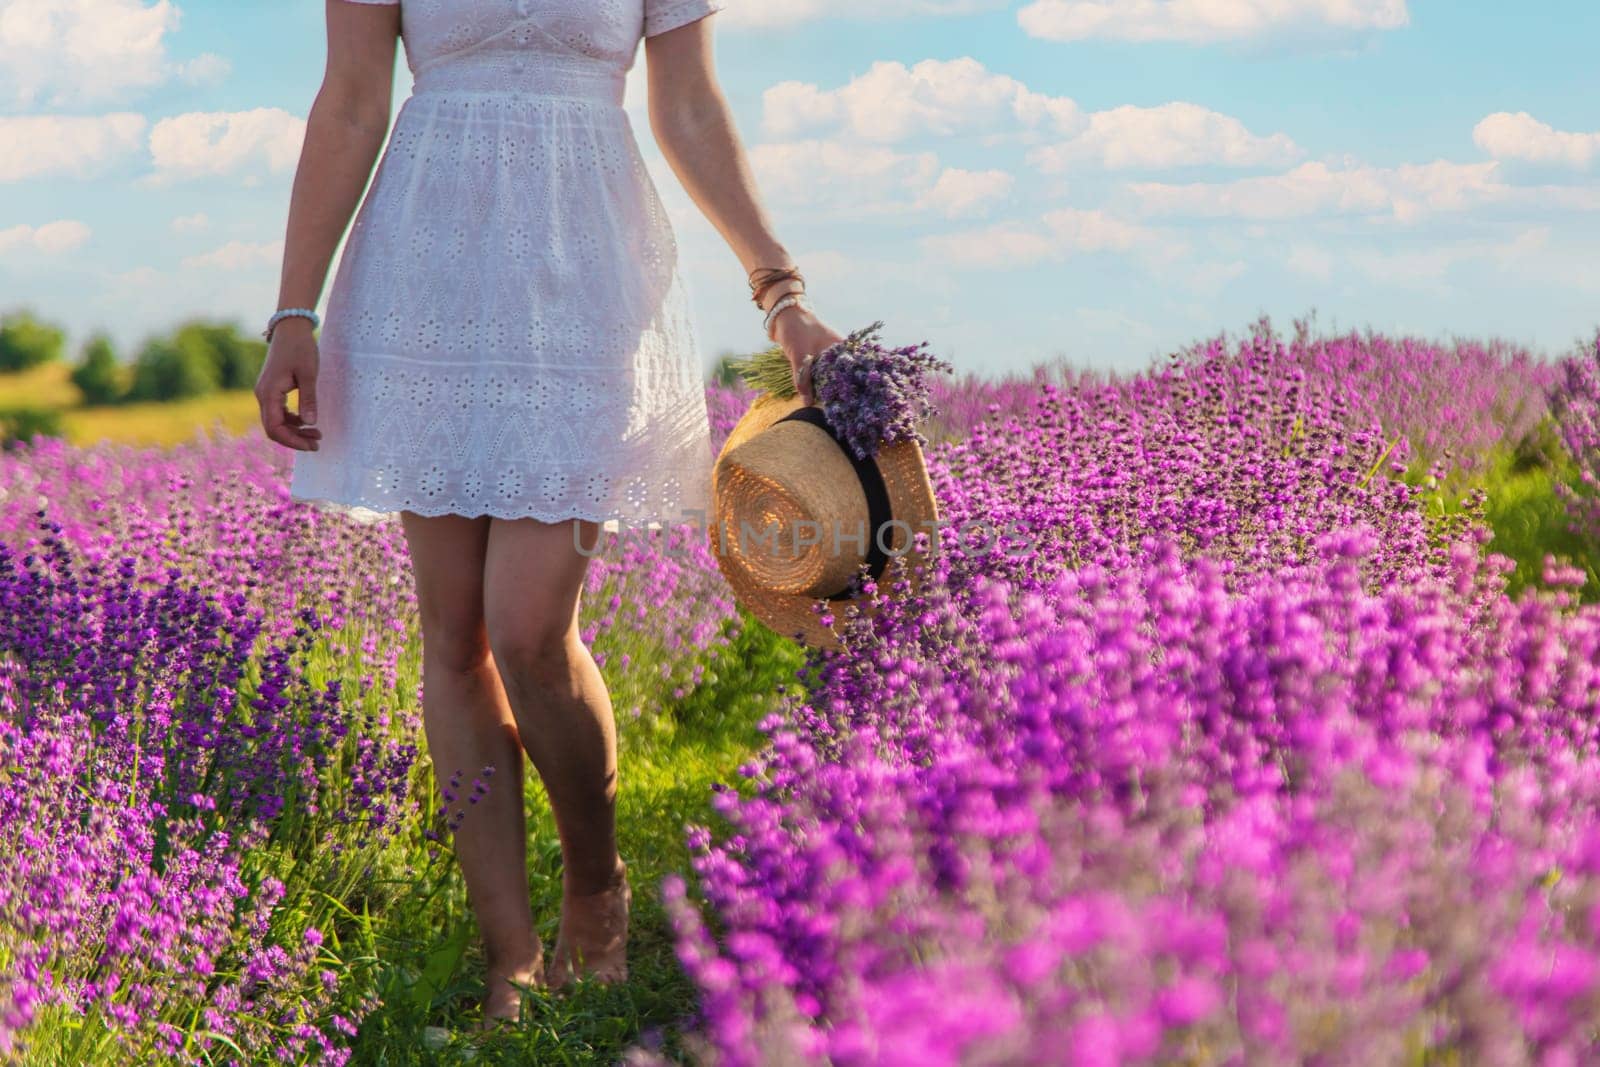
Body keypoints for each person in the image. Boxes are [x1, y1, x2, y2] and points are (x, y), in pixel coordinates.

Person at [254, 0, 840, 1027]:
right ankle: (509, 959)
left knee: (530, 629)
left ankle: (594, 883)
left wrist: (779, 288)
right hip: (423, 279)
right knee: (454, 634)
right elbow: (350, 102)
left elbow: (691, 107)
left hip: (585, 277)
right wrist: (293, 310)